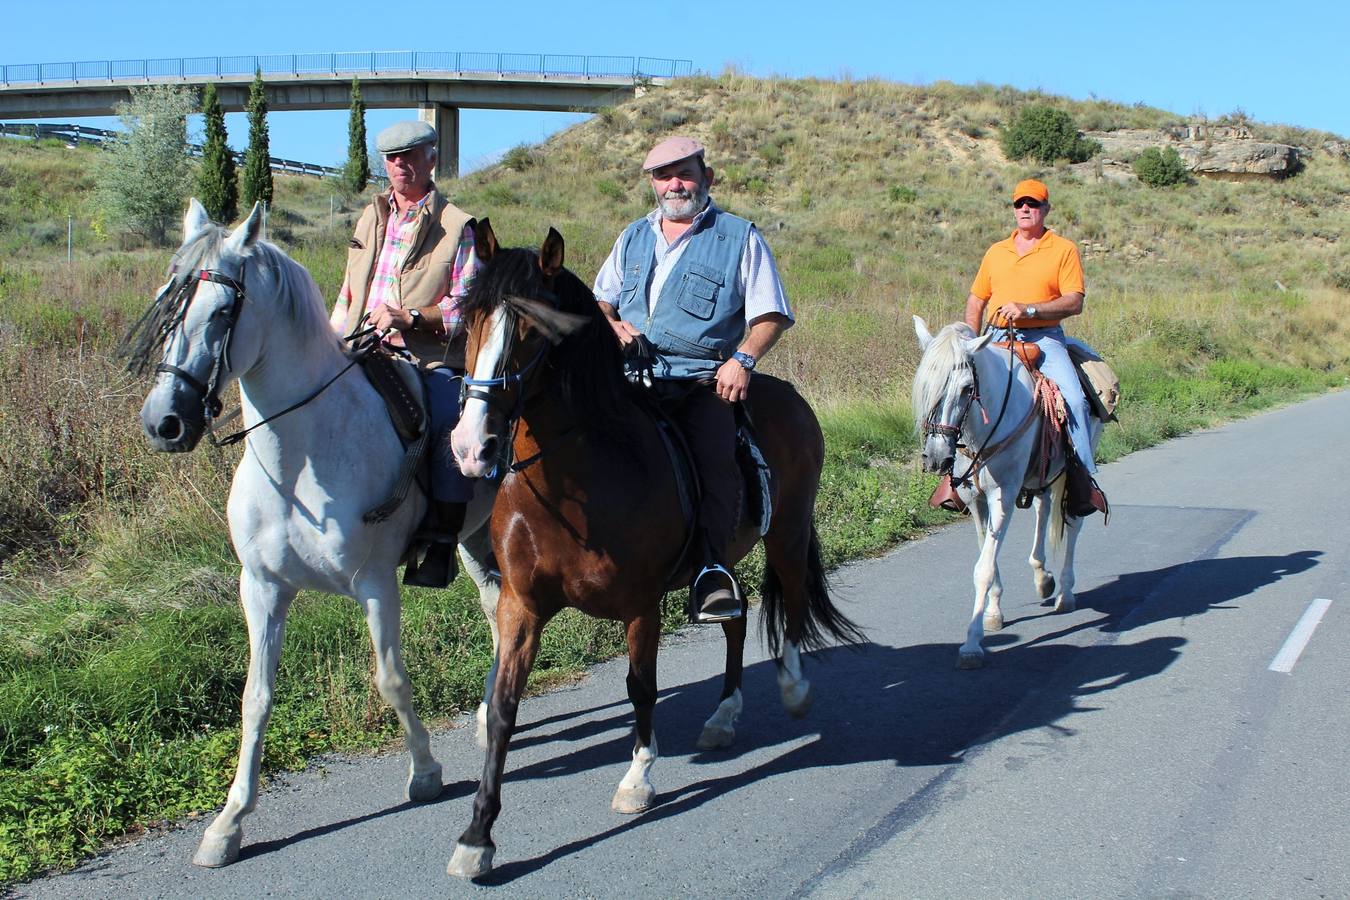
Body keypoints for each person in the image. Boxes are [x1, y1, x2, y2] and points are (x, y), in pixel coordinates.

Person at [593, 136, 794, 623]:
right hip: (626, 377)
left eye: (684, 173)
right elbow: (602, 299)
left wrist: (742, 360)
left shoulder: (738, 236)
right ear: (652, 184)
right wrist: (613, 324)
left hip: (698, 380)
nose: (674, 184)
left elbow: (771, 314)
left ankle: (711, 570)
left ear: (708, 177)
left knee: (713, 456)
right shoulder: (632, 237)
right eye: (663, 176)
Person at [329, 120, 479, 586]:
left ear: (432, 158)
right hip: (360, 348)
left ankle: (440, 544)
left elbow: (468, 309)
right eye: (393, 158)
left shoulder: (458, 226)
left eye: (411, 156)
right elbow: (350, 293)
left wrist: (410, 317)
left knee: (447, 432)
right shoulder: (370, 217)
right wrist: (332, 340)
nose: (401, 166)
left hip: (426, 357)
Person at [964, 178, 1103, 506]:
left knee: (1075, 400)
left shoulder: (1062, 249)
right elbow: (975, 301)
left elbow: (1074, 301)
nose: (1025, 209)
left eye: (1033, 204)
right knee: (961, 392)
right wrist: (970, 342)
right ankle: (955, 478)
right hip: (996, 337)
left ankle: (1081, 481)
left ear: (1046, 209)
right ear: (1014, 210)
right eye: (1019, 204)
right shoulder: (997, 251)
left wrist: (1029, 309)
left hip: (1044, 338)